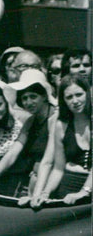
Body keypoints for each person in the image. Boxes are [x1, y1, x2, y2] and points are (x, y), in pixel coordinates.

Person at [0, 70, 57, 204]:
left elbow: (48, 161)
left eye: (33, 96)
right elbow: (12, 154)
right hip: (36, 184)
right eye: (24, 98)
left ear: (44, 96)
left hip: (50, 185)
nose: (28, 102)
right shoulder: (31, 121)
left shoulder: (56, 117)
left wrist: (37, 194)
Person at [30, 75, 92, 206]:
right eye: (69, 97)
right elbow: (58, 168)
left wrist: (84, 191)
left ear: (87, 93)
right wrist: (44, 193)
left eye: (79, 94)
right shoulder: (61, 126)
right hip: (68, 187)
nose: (75, 101)